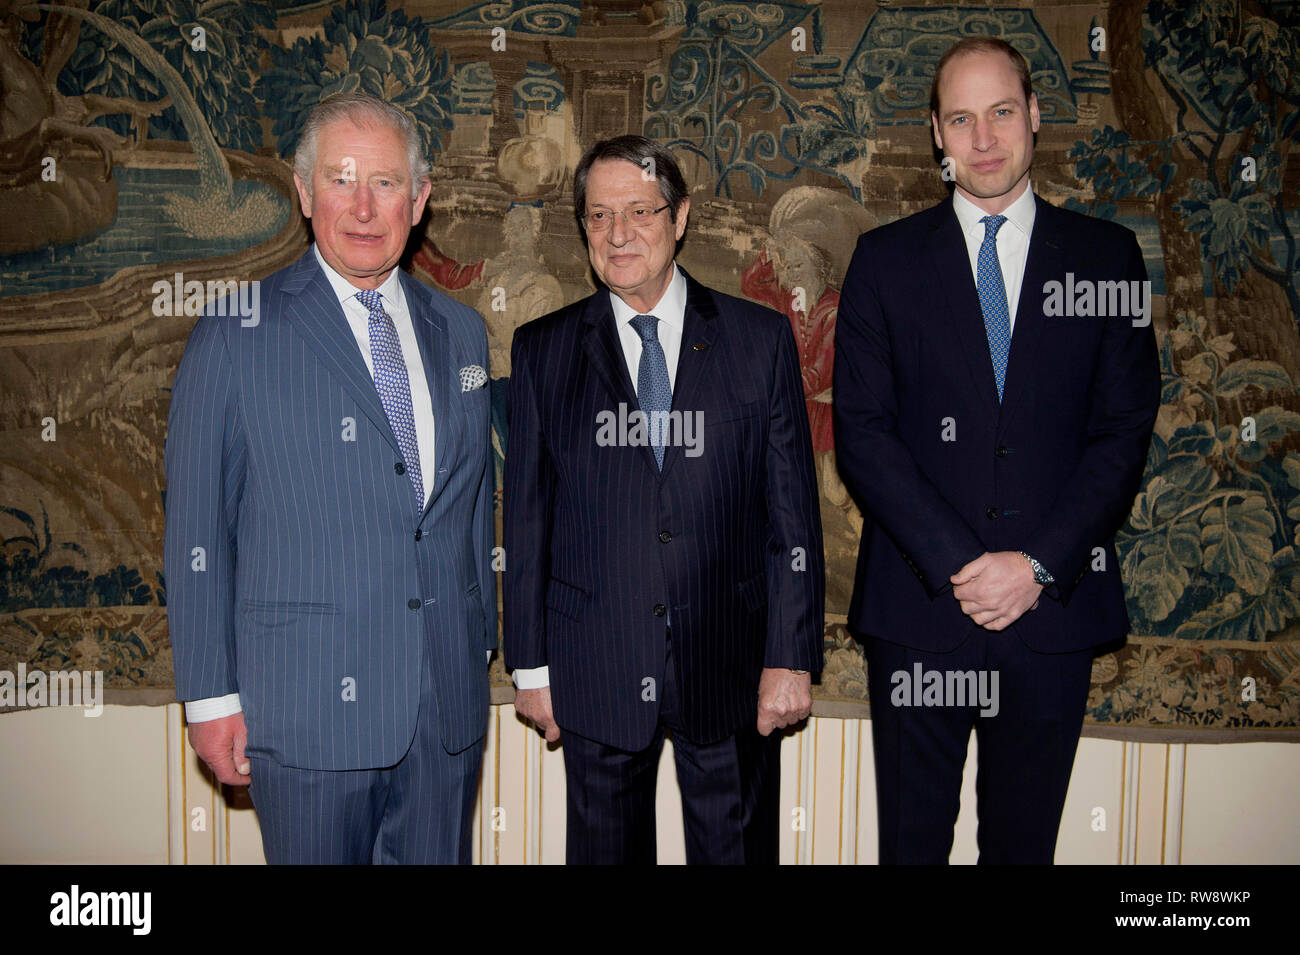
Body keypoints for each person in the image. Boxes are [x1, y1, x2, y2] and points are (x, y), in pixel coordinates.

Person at [834, 37, 1159, 864]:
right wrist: (962, 563)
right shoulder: (884, 261)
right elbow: (863, 434)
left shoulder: (1106, 258)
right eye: (961, 119)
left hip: (1050, 617)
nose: (983, 138)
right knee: (911, 847)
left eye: (1001, 112)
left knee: (1023, 851)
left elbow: (1123, 433)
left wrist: (1036, 564)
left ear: (1035, 117)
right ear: (938, 137)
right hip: (920, 611)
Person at [164, 92, 496, 864]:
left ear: (419, 200)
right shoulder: (232, 332)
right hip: (305, 708)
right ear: (304, 190)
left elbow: (470, 508)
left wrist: (475, 646)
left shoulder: (463, 331)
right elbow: (197, 533)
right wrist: (210, 699)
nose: (363, 205)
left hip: (443, 711)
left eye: (385, 183)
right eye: (341, 179)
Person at [503, 135, 824, 864]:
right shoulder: (542, 351)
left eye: (640, 211)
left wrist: (791, 656)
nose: (619, 234)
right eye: (598, 216)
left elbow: (791, 517)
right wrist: (530, 667)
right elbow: (525, 519)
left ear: (679, 217)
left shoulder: (758, 340)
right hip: (595, 666)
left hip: (732, 666)